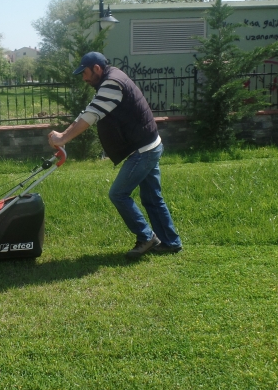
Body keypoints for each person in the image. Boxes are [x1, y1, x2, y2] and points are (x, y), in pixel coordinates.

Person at [48, 52, 181, 259]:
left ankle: (147, 237)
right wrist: (64, 134)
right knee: (152, 197)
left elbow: (90, 117)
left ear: (97, 68)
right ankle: (171, 242)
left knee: (118, 194)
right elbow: (90, 110)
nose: (84, 78)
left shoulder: (111, 83)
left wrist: (63, 138)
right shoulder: (112, 78)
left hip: (143, 150)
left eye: (85, 72)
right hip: (150, 144)